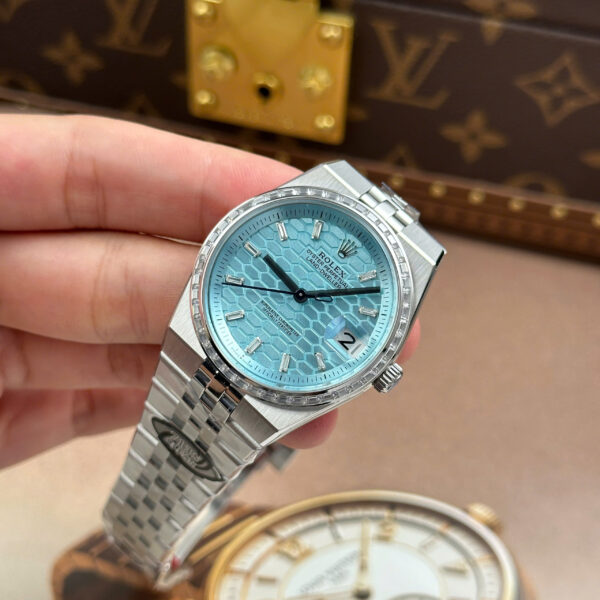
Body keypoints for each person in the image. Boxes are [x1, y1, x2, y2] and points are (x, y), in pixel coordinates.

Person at [0, 114, 420, 469]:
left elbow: (349, 343)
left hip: (273, 375)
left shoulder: (371, 329)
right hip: (215, 330)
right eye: (301, 293)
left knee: (199, 459)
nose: (301, 295)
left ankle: (150, 526)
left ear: (379, 368)